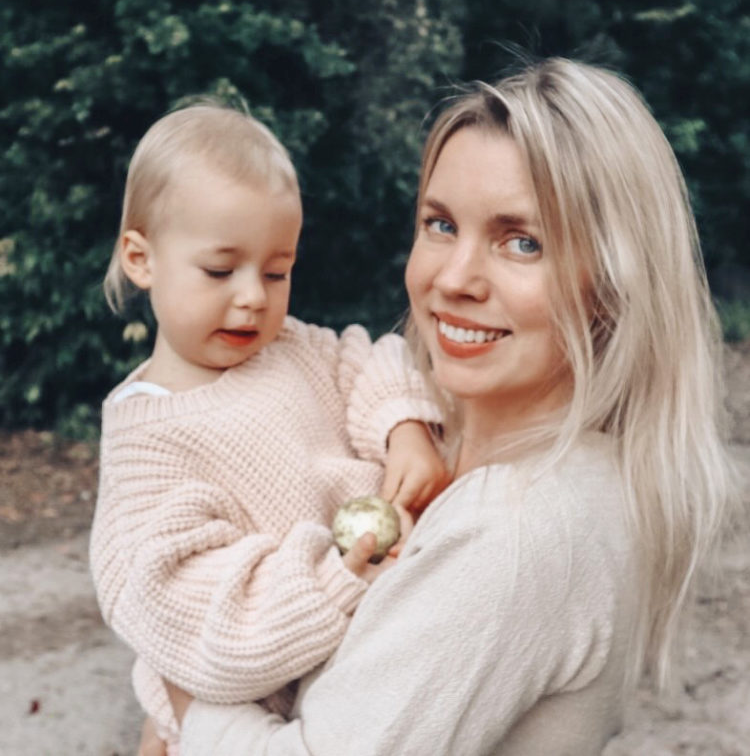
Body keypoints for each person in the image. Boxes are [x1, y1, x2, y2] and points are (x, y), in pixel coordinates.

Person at [166, 58, 736, 755]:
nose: (454, 278)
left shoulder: (516, 529)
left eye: (522, 242)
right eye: (440, 224)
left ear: (612, 286)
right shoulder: (449, 454)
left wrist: (182, 696)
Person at [89, 102, 449, 755]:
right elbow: (181, 605)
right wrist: (337, 577)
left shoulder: (295, 349)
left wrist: (403, 426)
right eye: (220, 270)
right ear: (142, 259)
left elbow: (371, 361)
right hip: (248, 724)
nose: (254, 296)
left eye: (276, 271)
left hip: (369, 679)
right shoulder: (148, 440)